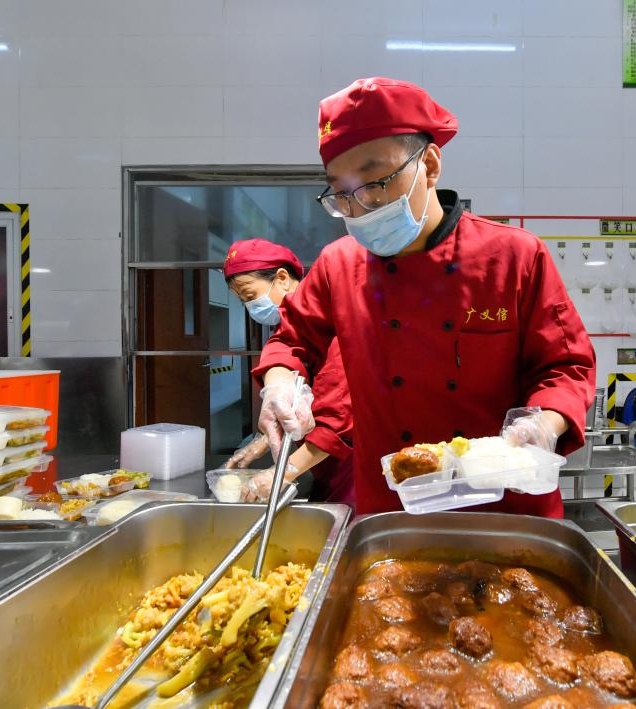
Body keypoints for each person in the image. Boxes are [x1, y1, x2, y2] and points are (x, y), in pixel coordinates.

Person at [253, 77, 596, 517]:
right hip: (392, 511)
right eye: (341, 192)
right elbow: (290, 340)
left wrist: (543, 425)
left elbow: (566, 366)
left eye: (375, 182)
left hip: (504, 504)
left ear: (430, 166)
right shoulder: (338, 265)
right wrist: (280, 383)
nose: (359, 208)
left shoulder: (513, 256)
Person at [223, 238, 355, 505]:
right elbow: (297, 393)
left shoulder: (337, 322)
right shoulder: (288, 334)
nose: (251, 307)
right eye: (244, 301)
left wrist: (283, 472)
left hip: (352, 468)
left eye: (251, 296)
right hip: (323, 465)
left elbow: (338, 419)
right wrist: (267, 435)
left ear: (282, 277)